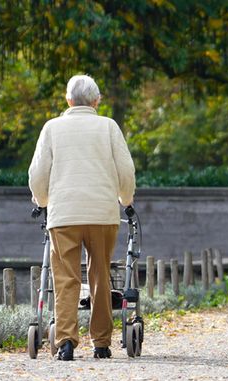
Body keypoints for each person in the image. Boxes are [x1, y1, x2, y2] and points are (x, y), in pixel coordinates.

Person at [28, 74, 136, 361]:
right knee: (100, 274)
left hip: (64, 214)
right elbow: (125, 171)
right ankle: (101, 342)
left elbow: (38, 174)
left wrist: (42, 201)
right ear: (97, 101)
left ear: (68, 100)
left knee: (65, 278)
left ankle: (65, 342)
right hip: (102, 213)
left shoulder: (52, 128)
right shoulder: (109, 127)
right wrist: (126, 199)